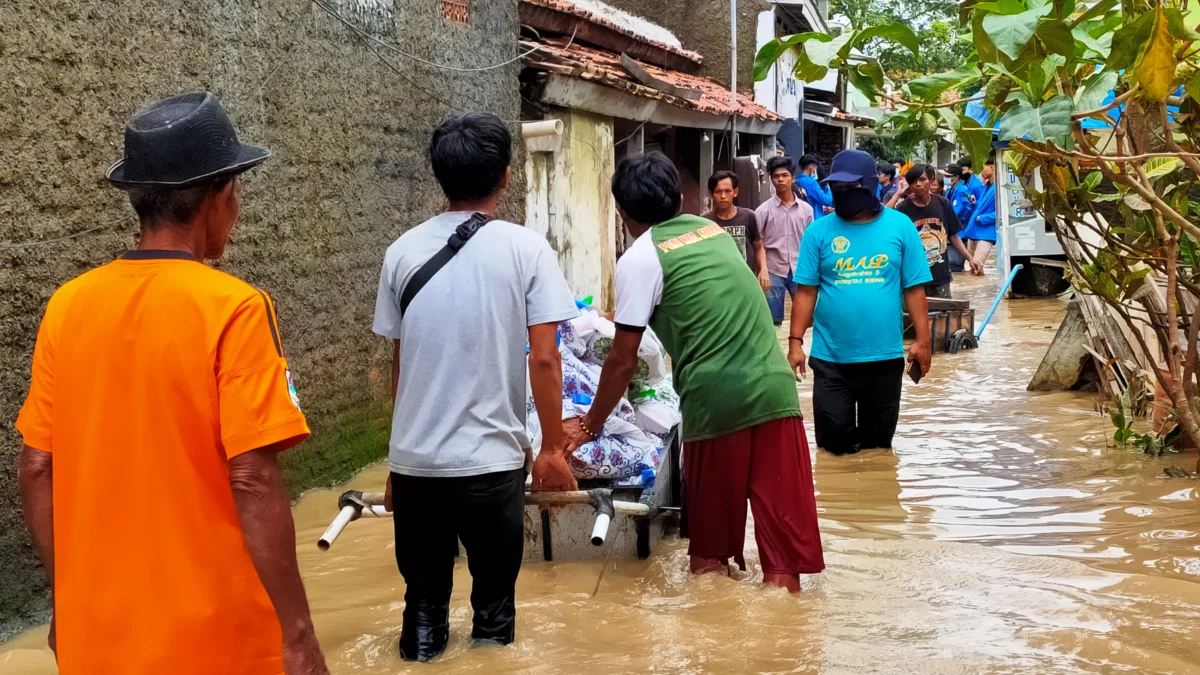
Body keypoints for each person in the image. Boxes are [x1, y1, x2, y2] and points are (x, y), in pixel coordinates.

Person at [16, 92, 329, 674]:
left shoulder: (67, 306)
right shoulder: (235, 308)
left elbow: (36, 464)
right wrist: (299, 633)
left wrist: (68, 598)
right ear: (220, 195)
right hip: (215, 643)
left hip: (96, 641)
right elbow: (252, 477)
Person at [372, 113, 579, 662]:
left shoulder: (400, 252)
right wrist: (554, 450)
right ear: (506, 177)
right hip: (491, 466)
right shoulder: (527, 249)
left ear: (440, 177)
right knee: (493, 612)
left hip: (418, 468)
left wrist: (398, 464)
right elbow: (546, 359)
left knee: (422, 606)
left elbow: (402, 363)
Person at [566, 152, 824, 591]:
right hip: (777, 393)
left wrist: (589, 426)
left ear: (623, 212)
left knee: (709, 560)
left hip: (714, 401)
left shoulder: (638, 258)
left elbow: (622, 359)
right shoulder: (712, 231)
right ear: (678, 197)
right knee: (783, 564)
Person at [788, 149, 933, 456]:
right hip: (831, 360)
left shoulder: (900, 227)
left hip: (884, 357)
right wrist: (795, 342)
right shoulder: (818, 231)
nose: (842, 194)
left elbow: (914, 289)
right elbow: (806, 291)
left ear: (869, 185)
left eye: (850, 188)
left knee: (877, 450)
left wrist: (923, 340)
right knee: (833, 448)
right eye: (836, 188)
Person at [895, 164, 983, 299]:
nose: (918, 184)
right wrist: (898, 193)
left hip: (940, 275)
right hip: (914, 277)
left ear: (931, 181)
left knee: (943, 315)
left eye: (922, 180)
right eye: (913, 181)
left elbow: (953, 236)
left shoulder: (943, 203)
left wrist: (970, 259)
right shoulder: (903, 208)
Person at [755, 156, 815, 325]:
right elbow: (757, 243)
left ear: (793, 177)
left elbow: (811, 243)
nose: (780, 180)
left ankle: (800, 349)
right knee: (772, 320)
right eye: (776, 176)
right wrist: (762, 270)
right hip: (773, 269)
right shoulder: (763, 211)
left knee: (807, 318)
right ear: (771, 179)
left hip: (800, 268)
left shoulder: (806, 210)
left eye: (784, 175)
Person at [703, 170, 770, 291]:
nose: (723, 196)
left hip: (747, 280)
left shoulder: (748, 216)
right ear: (711, 194)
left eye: (727, 191)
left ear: (735, 192)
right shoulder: (705, 222)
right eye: (718, 192)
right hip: (717, 282)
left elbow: (759, 247)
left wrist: (763, 269)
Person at [961, 156, 998, 267]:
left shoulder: (997, 188)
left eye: (983, 168)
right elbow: (981, 207)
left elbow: (1002, 213)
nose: (981, 172)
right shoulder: (986, 186)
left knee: (977, 265)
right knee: (973, 267)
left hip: (986, 232)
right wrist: (974, 203)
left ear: (991, 168)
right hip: (974, 230)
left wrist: (982, 218)